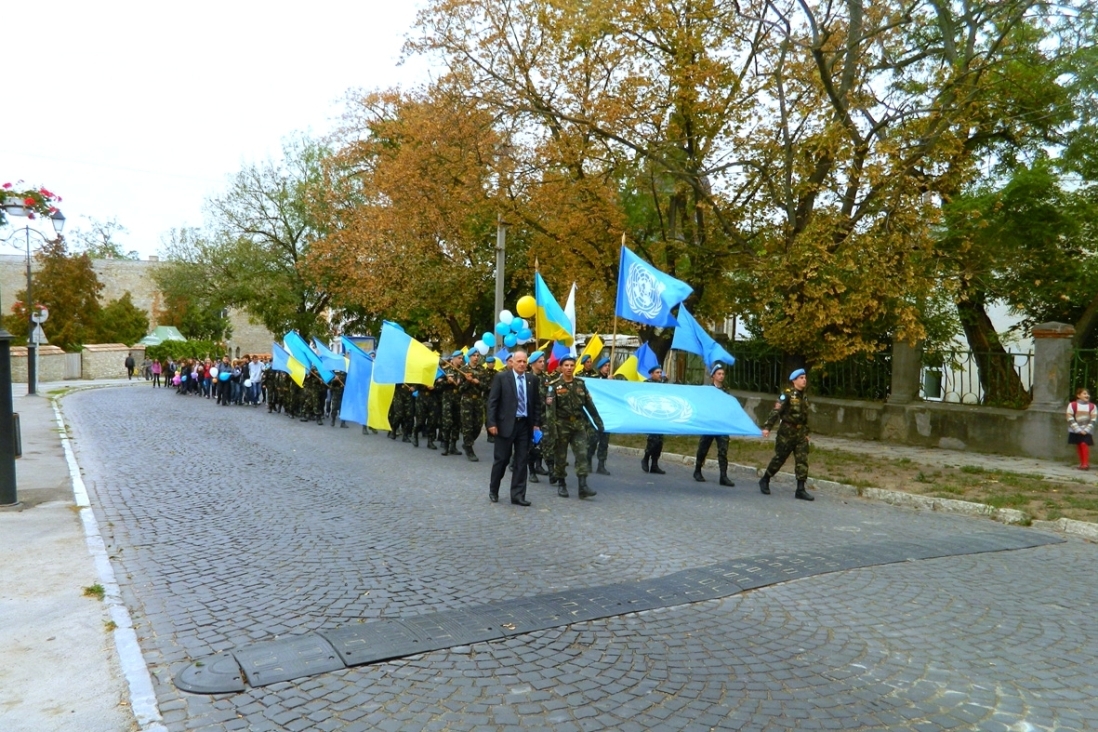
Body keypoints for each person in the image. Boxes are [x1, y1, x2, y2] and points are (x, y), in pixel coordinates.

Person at [486, 349, 542, 506]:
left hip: (524, 425)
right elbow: (492, 402)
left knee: (521, 460)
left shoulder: (532, 380)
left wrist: (536, 424)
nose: (522, 364)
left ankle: (517, 494)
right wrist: (491, 423)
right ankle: (494, 489)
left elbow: (536, 404)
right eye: (519, 361)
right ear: (512, 362)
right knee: (502, 460)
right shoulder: (502, 378)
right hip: (505, 425)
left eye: (524, 361)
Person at [547, 354, 603, 499]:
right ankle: (561, 484)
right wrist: (552, 431)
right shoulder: (554, 386)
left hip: (578, 424)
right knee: (561, 456)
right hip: (561, 424)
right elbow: (550, 411)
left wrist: (598, 422)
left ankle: (583, 486)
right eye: (566, 365)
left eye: (572, 365)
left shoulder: (580, 384)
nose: (569, 368)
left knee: (582, 454)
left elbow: (589, 405)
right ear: (561, 367)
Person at [760, 368, 814, 501]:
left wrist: (806, 433)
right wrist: (767, 427)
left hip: (800, 433)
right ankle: (765, 479)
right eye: (801, 378)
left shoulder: (804, 396)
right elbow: (776, 411)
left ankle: (800, 489)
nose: (804, 380)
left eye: (805, 377)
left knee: (802, 460)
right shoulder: (787, 394)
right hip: (787, 432)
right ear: (794, 380)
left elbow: (805, 417)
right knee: (780, 458)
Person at [693, 362, 735, 486]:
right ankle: (697, 470)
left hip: (722, 425)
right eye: (719, 374)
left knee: (723, 450)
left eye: (723, 374)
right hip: (709, 424)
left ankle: (723, 476)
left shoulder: (726, 390)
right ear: (713, 376)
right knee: (703, 448)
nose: (721, 376)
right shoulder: (708, 390)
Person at [585, 355, 612, 475]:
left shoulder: (612, 380)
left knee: (604, 442)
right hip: (595, 415)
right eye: (605, 366)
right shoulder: (594, 379)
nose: (607, 368)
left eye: (608, 366)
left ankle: (601, 465)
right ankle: (588, 461)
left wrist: (612, 383)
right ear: (600, 368)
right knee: (592, 440)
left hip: (606, 415)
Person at [459, 351, 486, 461]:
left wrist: (477, 382)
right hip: (467, 401)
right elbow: (460, 388)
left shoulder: (482, 370)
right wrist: (467, 382)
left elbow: (486, 387)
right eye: (473, 356)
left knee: (478, 425)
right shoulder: (463, 370)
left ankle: (468, 443)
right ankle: (469, 448)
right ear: (469, 357)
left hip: (478, 401)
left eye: (477, 356)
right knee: (467, 426)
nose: (476, 358)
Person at [641, 365, 668, 474]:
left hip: (660, 415)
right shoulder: (647, 383)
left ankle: (655, 464)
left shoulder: (661, 383)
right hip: (650, 415)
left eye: (660, 372)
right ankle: (646, 458)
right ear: (651, 374)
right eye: (657, 372)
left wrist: (665, 381)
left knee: (659, 441)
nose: (659, 374)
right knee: (653, 440)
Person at [1067, 388, 1096, 470]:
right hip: (1075, 429)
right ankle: (1082, 463)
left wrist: (1086, 429)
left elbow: (1093, 419)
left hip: (1087, 430)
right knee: (1079, 445)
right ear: (1078, 395)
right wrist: (1078, 429)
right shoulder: (1072, 405)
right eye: (1084, 393)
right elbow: (1069, 417)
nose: (1087, 395)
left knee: (1084, 444)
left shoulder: (1092, 406)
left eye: (1087, 394)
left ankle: (1085, 463)